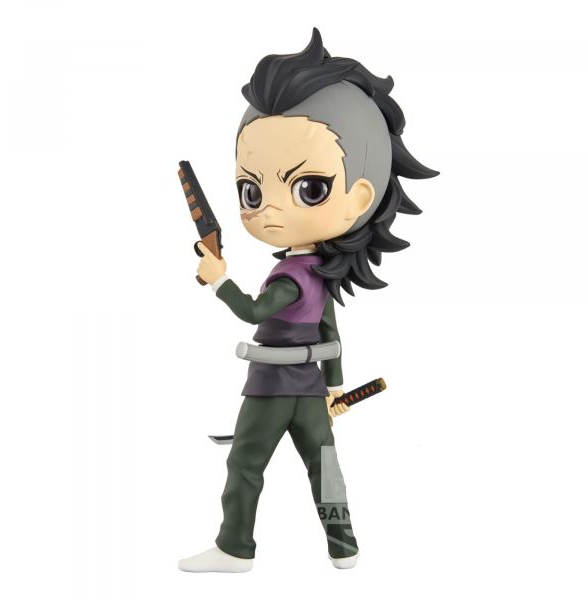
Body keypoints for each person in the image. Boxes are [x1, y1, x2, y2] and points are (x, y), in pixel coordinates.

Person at [178, 27, 438, 573]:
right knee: (325, 470)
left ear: (359, 198)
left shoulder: (292, 278)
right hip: (311, 388)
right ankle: (344, 548)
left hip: (273, 388)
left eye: (309, 188)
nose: (267, 209)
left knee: (245, 465)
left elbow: (254, 313)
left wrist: (220, 280)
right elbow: (330, 332)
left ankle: (234, 547)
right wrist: (335, 384)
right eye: (252, 190)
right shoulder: (319, 271)